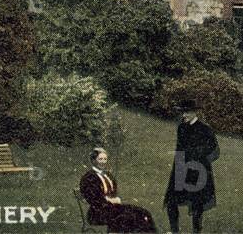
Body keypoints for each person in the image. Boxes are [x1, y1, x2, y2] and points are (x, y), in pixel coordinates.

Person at [163, 100, 219, 234]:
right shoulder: (181, 127)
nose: (184, 115)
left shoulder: (205, 129)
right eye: (183, 112)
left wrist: (198, 156)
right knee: (171, 201)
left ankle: (196, 231)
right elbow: (179, 148)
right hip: (181, 168)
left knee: (197, 204)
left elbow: (214, 148)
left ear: (195, 112)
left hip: (198, 171)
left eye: (187, 112)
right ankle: (174, 231)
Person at [79, 147, 156, 233]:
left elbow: (113, 192)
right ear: (93, 161)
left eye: (105, 159)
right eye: (100, 159)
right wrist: (111, 200)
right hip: (98, 213)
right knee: (129, 217)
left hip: (112, 209)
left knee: (144, 213)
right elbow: (94, 199)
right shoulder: (88, 177)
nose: (103, 162)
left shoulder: (107, 175)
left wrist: (113, 200)